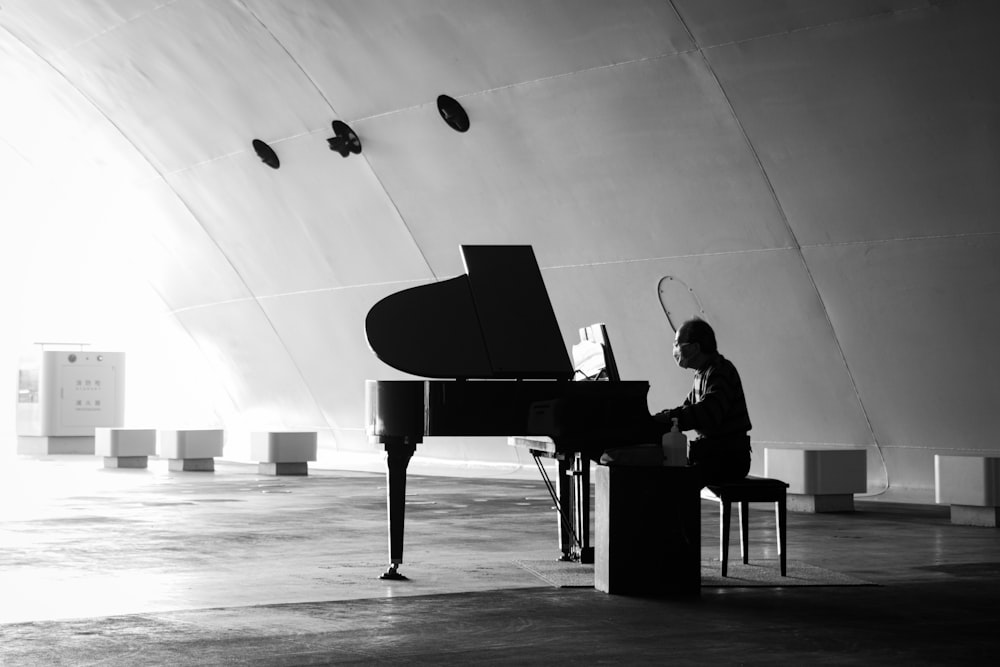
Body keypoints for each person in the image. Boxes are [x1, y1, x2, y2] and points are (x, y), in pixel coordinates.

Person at [652, 317, 752, 486]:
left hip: (728, 458)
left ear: (695, 348)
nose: (674, 349)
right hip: (714, 454)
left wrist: (667, 418)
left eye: (677, 344)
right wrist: (662, 417)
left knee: (673, 480)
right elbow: (687, 408)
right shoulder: (703, 373)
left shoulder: (720, 371)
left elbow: (707, 413)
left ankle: (681, 513)